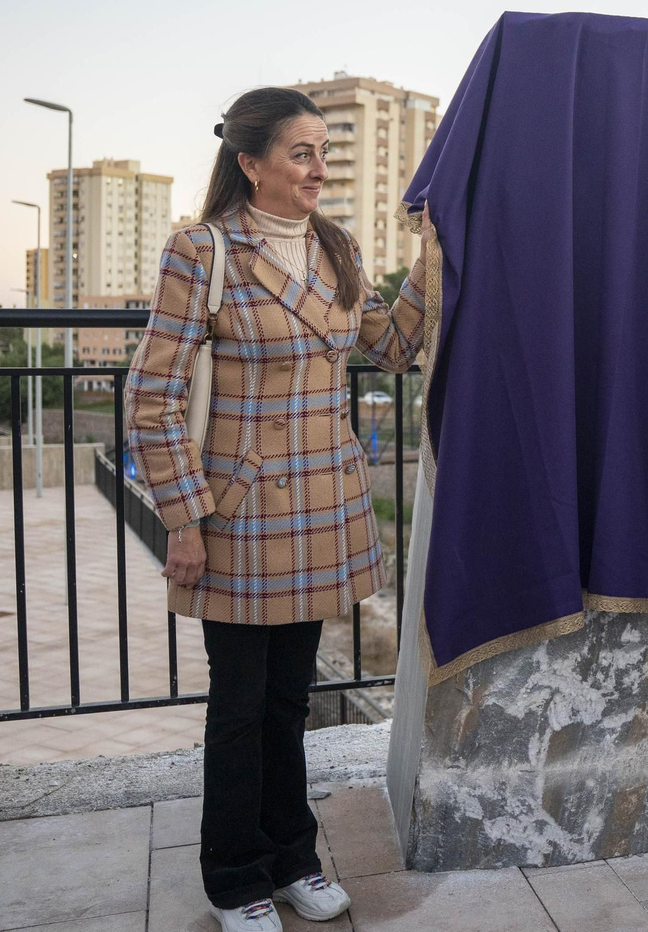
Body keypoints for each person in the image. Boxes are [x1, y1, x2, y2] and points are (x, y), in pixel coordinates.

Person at [126, 87, 429, 931]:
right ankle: (234, 877)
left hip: (324, 508)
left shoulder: (337, 247)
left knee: (291, 702)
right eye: (301, 153)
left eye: (322, 152)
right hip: (241, 513)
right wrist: (183, 519)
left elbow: (392, 347)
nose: (317, 169)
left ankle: (294, 857)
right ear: (250, 163)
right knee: (241, 705)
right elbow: (151, 398)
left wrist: (433, 254)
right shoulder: (202, 250)